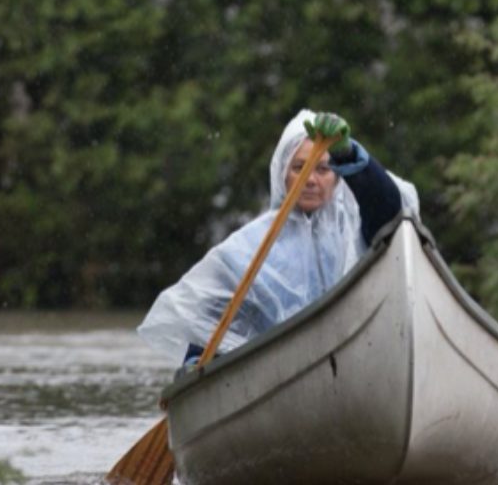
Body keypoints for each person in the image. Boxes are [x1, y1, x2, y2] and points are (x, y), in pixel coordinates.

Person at [135, 110, 417, 366]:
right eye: (299, 168)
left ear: (337, 176)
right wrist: (196, 362)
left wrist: (347, 153)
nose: (310, 179)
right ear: (282, 173)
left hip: (355, 356)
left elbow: (392, 213)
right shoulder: (251, 245)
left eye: (323, 169)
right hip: (276, 369)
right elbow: (208, 315)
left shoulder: (355, 225)